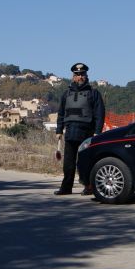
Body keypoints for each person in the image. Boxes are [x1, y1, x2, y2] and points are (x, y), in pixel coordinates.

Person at [54, 62, 106, 196]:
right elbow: (61, 113)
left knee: (85, 162)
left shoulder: (94, 93)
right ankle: (66, 187)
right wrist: (59, 130)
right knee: (68, 163)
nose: (80, 77)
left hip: (87, 133)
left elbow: (99, 114)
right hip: (70, 132)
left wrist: (97, 132)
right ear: (73, 76)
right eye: (77, 74)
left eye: (82, 74)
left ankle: (89, 186)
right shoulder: (66, 94)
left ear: (86, 75)